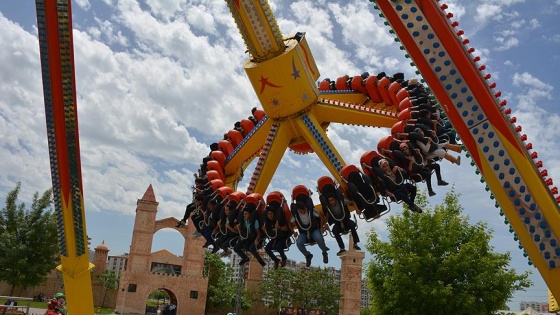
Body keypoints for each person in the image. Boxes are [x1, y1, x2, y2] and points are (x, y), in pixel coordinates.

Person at [289, 198, 330, 267]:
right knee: (299, 243)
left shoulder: (311, 210)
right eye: (301, 211)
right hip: (303, 232)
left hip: (313, 229)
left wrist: (321, 227)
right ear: (298, 209)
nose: (303, 212)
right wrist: (293, 232)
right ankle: (308, 255)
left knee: (319, 238)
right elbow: (289, 223)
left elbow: (321, 216)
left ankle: (324, 252)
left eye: (304, 210)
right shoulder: (295, 214)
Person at [262, 204, 292, 269]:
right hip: (275, 238)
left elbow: (286, 228)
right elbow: (268, 234)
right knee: (267, 248)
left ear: (274, 213)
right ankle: (276, 260)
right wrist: (264, 230)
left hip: (283, 237)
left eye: (271, 213)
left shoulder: (279, 219)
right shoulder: (267, 222)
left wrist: (279, 227)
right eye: (268, 214)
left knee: (278, 246)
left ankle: (284, 258)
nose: (270, 215)